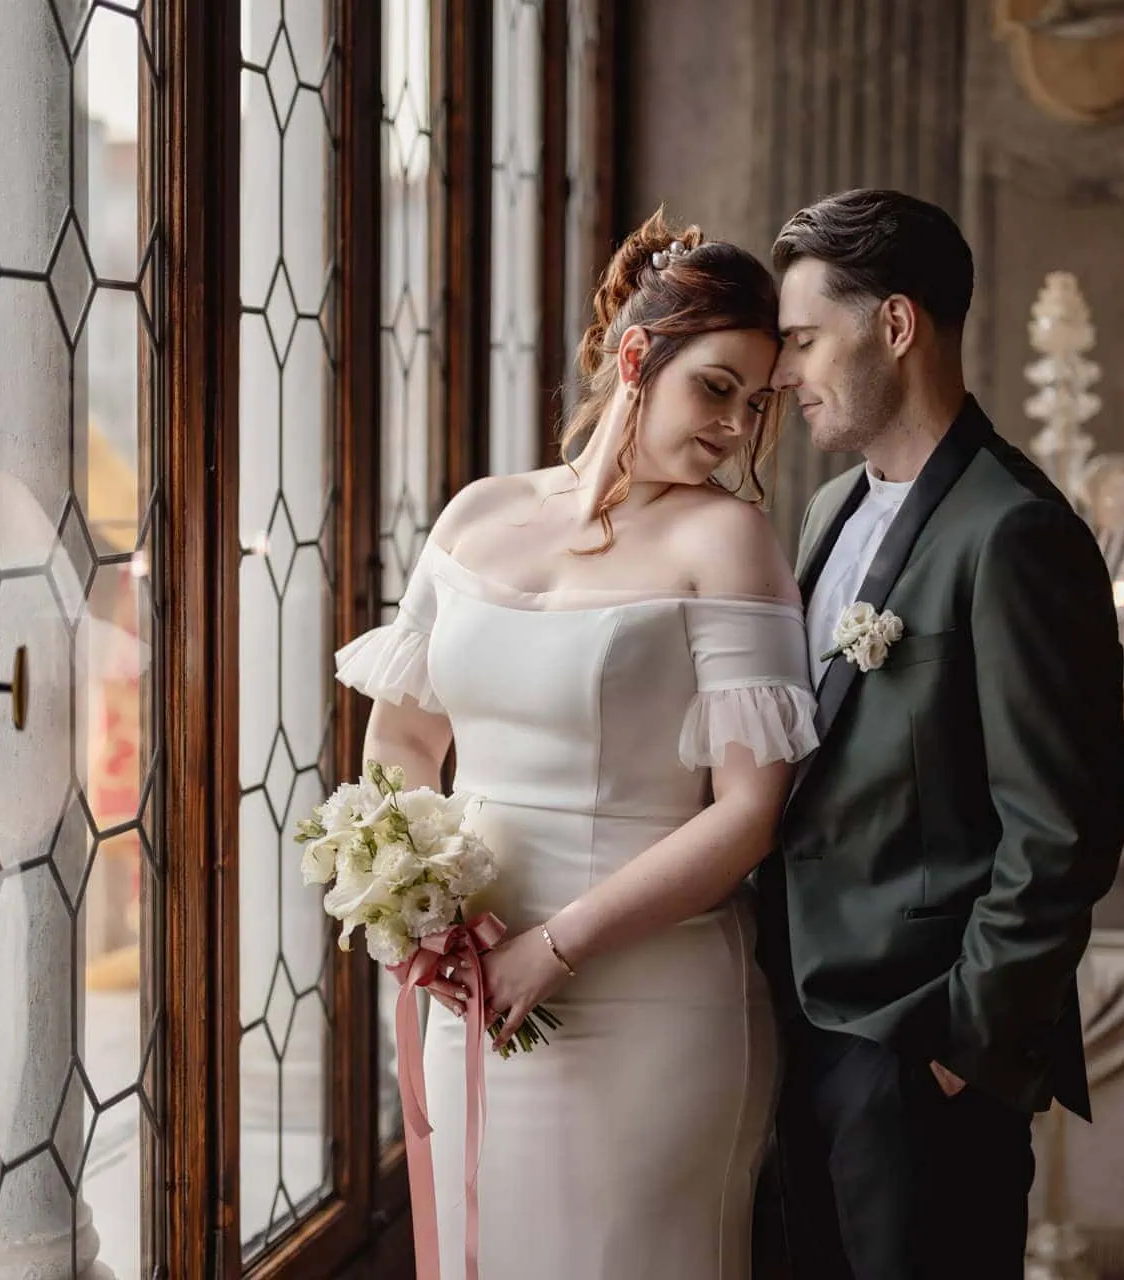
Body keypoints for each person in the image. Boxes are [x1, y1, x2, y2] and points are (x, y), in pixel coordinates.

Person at [335, 209, 816, 1279]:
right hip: (472, 991)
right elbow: (403, 739)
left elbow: (746, 813)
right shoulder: (475, 514)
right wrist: (427, 907)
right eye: (718, 387)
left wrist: (553, 947)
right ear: (637, 356)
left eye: (759, 403)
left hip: (650, 1003)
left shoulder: (728, 541)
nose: (737, 427)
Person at [760, 188, 1124, 1279]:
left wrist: (958, 1048)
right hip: (796, 1028)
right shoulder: (830, 510)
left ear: (897, 324)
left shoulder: (1016, 531)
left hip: (916, 1058)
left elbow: (1063, 827)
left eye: (803, 339)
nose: (785, 373)